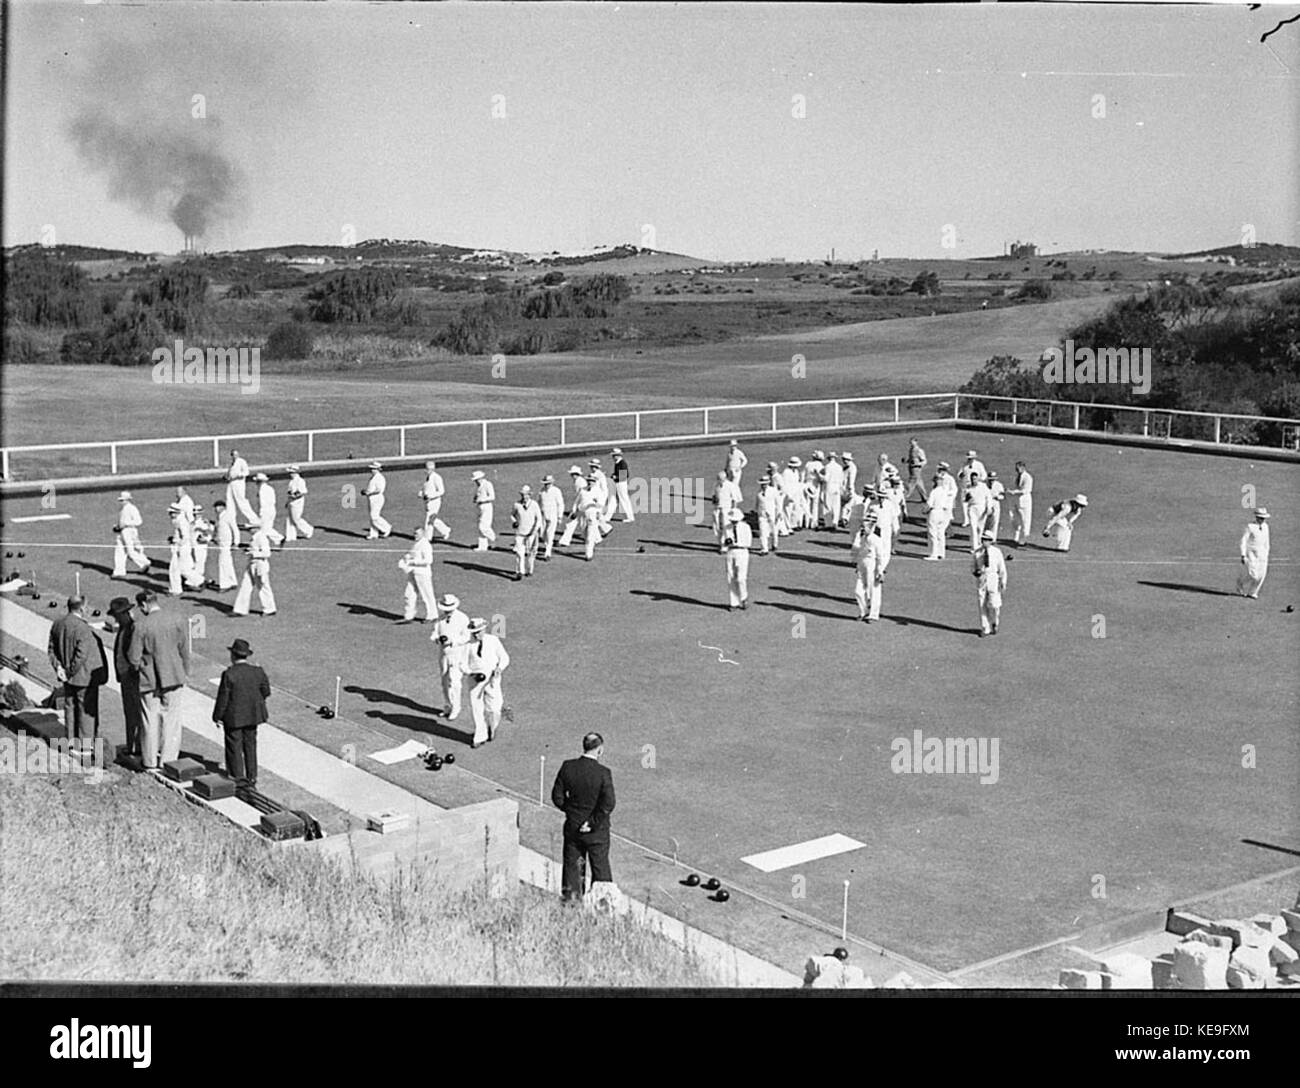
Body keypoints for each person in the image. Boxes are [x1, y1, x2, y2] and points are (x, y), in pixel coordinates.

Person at [127, 590, 192, 769]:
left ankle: (150, 760)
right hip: (174, 675)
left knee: (149, 720)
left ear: (143, 605)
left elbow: (133, 657)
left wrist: (141, 666)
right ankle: (168, 760)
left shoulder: (141, 625)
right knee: (172, 720)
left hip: (149, 678)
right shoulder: (177, 619)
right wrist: (184, 672)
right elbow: (185, 650)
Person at [551, 732, 617, 905]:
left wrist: (572, 813)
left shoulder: (568, 767)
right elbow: (608, 803)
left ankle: (571, 908)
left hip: (573, 829)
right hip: (597, 833)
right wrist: (592, 822)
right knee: (600, 871)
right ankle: (602, 908)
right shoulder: (603, 773)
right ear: (600, 750)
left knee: (572, 870)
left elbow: (557, 797)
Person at [48, 596, 109, 760]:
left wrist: (59, 668)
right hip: (82, 676)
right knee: (86, 711)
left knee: (70, 708)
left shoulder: (58, 623)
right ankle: (85, 747)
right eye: (86, 607)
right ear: (81, 609)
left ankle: (71, 742)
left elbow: (51, 649)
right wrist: (69, 671)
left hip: (67, 677)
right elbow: (81, 655)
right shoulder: (83, 629)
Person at [212, 638, 270, 789]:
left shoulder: (229, 674)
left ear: (233, 655)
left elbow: (223, 698)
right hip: (253, 715)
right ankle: (252, 777)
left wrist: (217, 716)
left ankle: (238, 778)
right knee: (250, 746)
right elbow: (266, 691)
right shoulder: (258, 671)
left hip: (234, 717)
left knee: (234, 747)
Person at [465, 617, 510, 748]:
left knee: (495, 708)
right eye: (474, 632)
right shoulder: (467, 644)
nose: (477, 634)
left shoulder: (493, 640)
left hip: (492, 679)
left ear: (484, 629)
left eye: (479, 631)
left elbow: (505, 657)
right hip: (475, 680)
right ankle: (480, 736)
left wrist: (499, 668)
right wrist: (470, 672)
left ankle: (492, 727)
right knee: (477, 708)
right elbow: (461, 663)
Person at [108, 596, 144, 760]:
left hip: (132, 678)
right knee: (130, 713)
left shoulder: (133, 629)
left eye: (118, 615)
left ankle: (136, 747)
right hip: (126, 677)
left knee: (134, 713)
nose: (116, 619)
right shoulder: (124, 628)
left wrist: (131, 672)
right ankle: (133, 745)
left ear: (126, 613)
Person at [852, 492, 891, 623]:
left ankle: (873, 614)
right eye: (864, 524)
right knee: (858, 591)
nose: (865, 527)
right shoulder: (862, 536)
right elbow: (858, 551)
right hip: (862, 565)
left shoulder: (876, 539)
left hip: (872, 566)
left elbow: (881, 556)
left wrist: (881, 571)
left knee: (874, 591)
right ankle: (862, 612)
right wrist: (857, 565)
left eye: (868, 525)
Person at [431, 594, 471, 720]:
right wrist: (437, 639)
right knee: (444, 681)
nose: (447, 611)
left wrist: (452, 641)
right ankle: (448, 705)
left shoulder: (463, 619)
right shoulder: (441, 619)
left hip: (457, 653)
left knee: (454, 682)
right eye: (445, 609)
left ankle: (456, 708)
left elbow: (466, 637)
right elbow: (434, 633)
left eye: (449, 609)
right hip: (443, 653)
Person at [232, 524, 277, 617]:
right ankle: (240, 610)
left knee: (263, 586)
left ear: (255, 528)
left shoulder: (261, 538)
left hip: (260, 565)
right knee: (245, 585)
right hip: (252, 564)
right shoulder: (254, 537)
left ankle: (270, 609)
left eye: (250, 528)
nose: (248, 530)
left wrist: (253, 553)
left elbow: (267, 553)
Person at [972, 529, 1008, 637]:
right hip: (982, 579)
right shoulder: (977, 552)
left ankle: (994, 622)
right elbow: (972, 566)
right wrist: (976, 572)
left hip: (993, 578)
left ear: (991, 541)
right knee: (982, 603)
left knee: (994, 604)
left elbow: (1002, 568)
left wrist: (1003, 581)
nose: (985, 542)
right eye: (983, 539)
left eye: (987, 540)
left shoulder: (997, 552)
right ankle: (985, 628)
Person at [399, 526, 437, 622]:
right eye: (414, 533)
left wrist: (413, 562)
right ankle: (409, 615)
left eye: (417, 534)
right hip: (413, 572)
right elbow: (412, 554)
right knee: (409, 593)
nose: (414, 535)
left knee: (426, 594)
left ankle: (432, 615)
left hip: (422, 573)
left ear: (423, 534)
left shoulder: (425, 545)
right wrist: (406, 558)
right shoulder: (417, 543)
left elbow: (429, 560)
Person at [924, 463, 958, 560]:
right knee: (940, 532)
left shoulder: (937, 490)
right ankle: (941, 553)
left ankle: (934, 554)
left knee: (933, 533)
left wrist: (924, 510)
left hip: (938, 511)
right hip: (942, 511)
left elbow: (929, 504)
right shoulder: (943, 490)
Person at [112, 491, 150, 577]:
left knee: (130, 551)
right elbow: (121, 521)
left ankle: (145, 562)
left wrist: (126, 523)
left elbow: (139, 521)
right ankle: (119, 571)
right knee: (119, 551)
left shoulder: (132, 508)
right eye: (120, 500)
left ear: (127, 500)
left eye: (123, 500)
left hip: (129, 531)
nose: (121, 502)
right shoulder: (122, 509)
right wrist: (117, 527)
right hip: (122, 532)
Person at [722, 508, 752, 611]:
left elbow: (748, 542)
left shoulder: (745, 527)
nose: (733, 522)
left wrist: (735, 543)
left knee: (741, 578)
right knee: (730, 576)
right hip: (731, 552)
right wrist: (726, 543)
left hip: (742, 552)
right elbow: (724, 542)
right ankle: (733, 602)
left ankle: (744, 598)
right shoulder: (727, 528)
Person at [1237, 507, 1271, 599]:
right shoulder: (1250, 526)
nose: (1262, 520)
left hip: (1263, 554)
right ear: (1256, 517)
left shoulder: (1265, 527)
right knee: (1253, 575)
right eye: (1260, 518)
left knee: (1261, 575)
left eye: (1263, 518)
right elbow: (1243, 540)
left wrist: (1267, 552)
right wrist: (1243, 554)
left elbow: (1266, 541)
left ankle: (1253, 592)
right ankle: (1240, 583)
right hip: (1251, 554)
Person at [511, 485, 542, 580]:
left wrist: (535, 530)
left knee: (531, 553)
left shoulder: (534, 505)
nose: (524, 497)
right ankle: (520, 571)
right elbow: (512, 515)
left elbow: (539, 519)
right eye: (523, 495)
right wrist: (514, 521)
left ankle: (530, 570)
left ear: (529, 495)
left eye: (526, 495)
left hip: (531, 533)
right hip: (520, 532)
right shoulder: (517, 505)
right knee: (519, 553)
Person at [166, 502, 196, 596]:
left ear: (176, 512)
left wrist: (177, 545)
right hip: (181, 547)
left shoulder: (180, 521)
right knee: (179, 568)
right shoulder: (177, 520)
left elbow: (185, 537)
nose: (170, 514)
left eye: (171, 512)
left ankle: (176, 589)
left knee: (176, 569)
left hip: (182, 548)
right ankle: (197, 581)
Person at [418, 460, 452, 541]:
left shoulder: (437, 478)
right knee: (433, 519)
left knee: (429, 518)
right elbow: (426, 488)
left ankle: (427, 537)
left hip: (435, 501)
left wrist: (431, 496)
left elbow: (441, 491)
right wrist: (421, 493)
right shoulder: (427, 478)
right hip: (428, 502)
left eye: (428, 469)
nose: (426, 471)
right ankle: (445, 530)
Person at [225, 448, 258, 527]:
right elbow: (230, 473)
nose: (235, 456)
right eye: (233, 455)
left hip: (239, 483)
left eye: (236, 455)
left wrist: (238, 475)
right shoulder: (231, 463)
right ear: (231, 456)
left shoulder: (241, 462)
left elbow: (246, 472)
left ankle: (254, 519)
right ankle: (230, 520)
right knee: (229, 501)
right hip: (231, 483)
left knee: (241, 501)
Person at [212, 499, 240, 591]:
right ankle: (232, 582)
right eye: (216, 507)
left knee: (223, 563)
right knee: (227, 563)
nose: (216, 509)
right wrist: (215, 538)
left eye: (218, 507)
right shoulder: (219, 517)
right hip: (221, 543)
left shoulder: (228, 516)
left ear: (222, 507)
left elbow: (235, 529)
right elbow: (218, 529)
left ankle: (225, 585)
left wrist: (236, 543)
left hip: (226, 543)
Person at [558, 466, 588, 549]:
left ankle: (564, 541)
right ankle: (595, 538)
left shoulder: (580, 482)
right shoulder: (578, 481)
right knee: (582, 524)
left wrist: (575, 508)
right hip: (582, 506)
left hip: (582, 506)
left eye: (573, 474)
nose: (572, 476)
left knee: (571, 524)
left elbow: (581, 496)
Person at [955, 451, 987, 527]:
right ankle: (966, 520)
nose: (969, 460)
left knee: (975, 503)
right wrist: (960, 476)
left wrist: (977, 482)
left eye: (971, 458)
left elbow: (984, 476)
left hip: (975, 488)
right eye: (969, 458)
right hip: (965, 487)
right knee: (964, 503)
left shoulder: (979, 465)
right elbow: (959, 475)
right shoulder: (964, 465)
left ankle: (977, 519)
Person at [538, 474, 566, 559]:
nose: (547, 485)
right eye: (546, 483)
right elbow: (539, 502)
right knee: (543, 533)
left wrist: (560, 516)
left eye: (548, 483)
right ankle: (547, 545)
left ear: (552, 483)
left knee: (550, 533)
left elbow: (560, 504)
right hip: (543, 515)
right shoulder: (542, 491)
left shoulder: (556, 491)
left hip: (553, 514)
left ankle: (548, 552)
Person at [253, 473, 285, 547]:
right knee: (267, 528)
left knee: (264, 529)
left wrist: (261, 513)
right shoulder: (270, 488)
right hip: (272, 510)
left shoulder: (262, 491)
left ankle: (279, 538)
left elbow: (262, 503)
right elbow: (273, 500)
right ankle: (277, 540)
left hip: (265, 511)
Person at [284, 465, 314, 542]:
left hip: (298, 502)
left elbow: (303, 492)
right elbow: (289, 492)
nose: (289, 474)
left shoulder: (300, 481)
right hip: (291, 501)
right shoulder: (291, 481)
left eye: (291, 472)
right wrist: (288, 501)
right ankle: (290, 536)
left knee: (296, 518)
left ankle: (308, 530)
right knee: (290, 519)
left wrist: (294, 496)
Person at [363, 462, 393, 539]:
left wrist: (369, 492)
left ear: (377, 469)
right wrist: (366, 492)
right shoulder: (373, 477)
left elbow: (378, 490)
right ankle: (373, 533)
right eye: (371, 469)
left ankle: (386, 528)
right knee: (371, 516)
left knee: (374, 516)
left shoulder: (379, 478)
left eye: (373, 469)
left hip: (377, 498)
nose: (371, 470)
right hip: (371, 498)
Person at [1008, 461, 1034, 546]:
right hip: (1016, 501)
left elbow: (1026, 490)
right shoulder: (1017, 476)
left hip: (1024, 501)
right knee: (1014, 519)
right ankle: (1015, 538)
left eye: (1018, 468)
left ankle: (1023, 539)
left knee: (1025, 521)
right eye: (1016, 468)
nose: (1016, 469)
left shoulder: (1028, 477)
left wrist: (1013, 492)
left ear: (1023, 467)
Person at [755, 474, 781, 555]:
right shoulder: (758, 493)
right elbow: (757, 504)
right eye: (762, 484)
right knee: (763, 532)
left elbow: (778, 503)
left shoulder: (773, 491)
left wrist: (779, 513)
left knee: (774, 531)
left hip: (772, 514)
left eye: (765, 484)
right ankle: (764, 549)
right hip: (762, 515)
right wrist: (758, 513)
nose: (763, 485)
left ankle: (774, 544)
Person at [471, 470, 496, 552]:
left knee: (483, 527)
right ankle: (482, 546)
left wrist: (482, 500)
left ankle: (493, 539)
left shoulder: (487, 484)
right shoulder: (479, 486)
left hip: (487, 507)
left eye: (476, 480)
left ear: (480, 478)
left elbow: (492, 497)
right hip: (480, 507)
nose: (475, 481)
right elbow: (477, 495)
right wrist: (476, 498)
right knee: (480, 527)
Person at [608, 448, 635, 523]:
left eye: (614, 456)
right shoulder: (617, 463)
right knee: (614, 499)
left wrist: (615, 477)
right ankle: (608, 516)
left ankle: (630, 517)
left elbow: (624, 475)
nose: (613, 457)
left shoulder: (622, 463)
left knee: (624, 499)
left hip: (621, 483)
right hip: (618, 483)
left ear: (618, 455)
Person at [903, 437, 929, 510]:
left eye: (912, 442)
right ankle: (925, 498)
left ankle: (905, 495)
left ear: (916, 442)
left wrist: (919, 464)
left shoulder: (919, 451)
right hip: (911, 468)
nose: (911, 443)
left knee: (911, 482)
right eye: (910, 442)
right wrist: (906, 461)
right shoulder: (911, 450)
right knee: (919, 483)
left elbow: (924, 461)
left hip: (916, 469)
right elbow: (911, 459)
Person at [822, 452, 845, 530]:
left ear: (829, 458)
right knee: (836, 505)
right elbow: (842, 479)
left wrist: (819, 476)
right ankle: (835, 522)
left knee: (827, 504)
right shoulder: (839, 467)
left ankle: (828, 523)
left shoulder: (827, 467)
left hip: (829, 486)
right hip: (837, 487)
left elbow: (826, 479)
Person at [838, 452, 859, 528]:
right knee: (845, 504)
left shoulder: (852, 468)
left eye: (845, 459)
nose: (844, 461)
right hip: (843, 489)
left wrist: (851, 490)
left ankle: (845, 518)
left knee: (849, 504)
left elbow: (851, 480)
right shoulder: (845, 467)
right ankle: (844, 518)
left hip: (848, 489)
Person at [986, 471, 1006, 541]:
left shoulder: (999, 485)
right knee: (986, 520)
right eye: (990, 479)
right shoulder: (985, 485)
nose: (991, 481)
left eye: (993, 479)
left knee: (995, 520)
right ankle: (985, 536)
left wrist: (997, 497)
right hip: (986, 503)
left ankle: (993, 538)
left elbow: (1003, 495)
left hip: (995, 503)